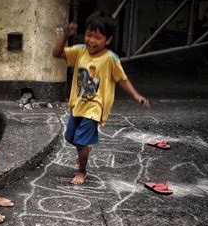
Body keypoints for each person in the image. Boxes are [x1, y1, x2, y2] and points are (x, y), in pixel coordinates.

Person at [52, 10, 150, 185]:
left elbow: (122, 79)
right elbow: (56, 53)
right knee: (70, 138)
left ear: (108, 40)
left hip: (95, 107)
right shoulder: (80, 51)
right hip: (77, 103)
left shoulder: (110, 59)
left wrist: (136, 95)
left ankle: (81, 171)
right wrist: (65, 36)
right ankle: (85, 147)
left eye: (97, 37)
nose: (91, 40)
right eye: (89, 35)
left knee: (80, 141)